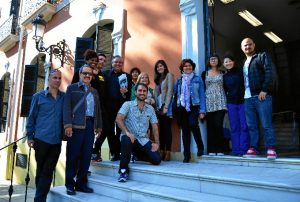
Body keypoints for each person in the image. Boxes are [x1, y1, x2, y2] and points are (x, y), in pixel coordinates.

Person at [63, 64, 102, 195]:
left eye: (90, 74)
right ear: (80, 74)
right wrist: (67, 125)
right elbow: (67, 107)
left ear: (92, 77)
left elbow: (98, 110)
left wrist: (99, 126)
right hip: (76, 126)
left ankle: (81, 184)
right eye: (84, 73)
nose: (87, 76)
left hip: (90, 125)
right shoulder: (72, 88)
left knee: (86, 157)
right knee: (73, 156)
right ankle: (69, 184)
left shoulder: (95, 91)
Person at [26, 69, 64, 202]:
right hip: (41, 139)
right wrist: (30, 136)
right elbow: (31, 118)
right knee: (41, 169)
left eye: (59, 78)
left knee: (48, 169)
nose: (58, 80)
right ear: (49, 79)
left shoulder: (64, 97)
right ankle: (40, 196)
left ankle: (39, 198)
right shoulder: (38, 96)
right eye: (55, 78)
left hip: (56, 140)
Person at [116, 83, 161, 182]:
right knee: (126, 139)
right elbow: (119, 119)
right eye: (140, 91)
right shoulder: (127, 104)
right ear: (135, 92)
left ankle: (135, 155)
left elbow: (154, 126)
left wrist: (156, 143)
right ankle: (123, 171)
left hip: (143, 139)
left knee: (157, 160)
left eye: (144, 91)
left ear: (147, 93)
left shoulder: (150, 108)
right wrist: (127, 132)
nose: (142, 93)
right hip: (129, 137)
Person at [241, 37, 277, 159]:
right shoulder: (244, 63)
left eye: (249, 44)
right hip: (247, 98)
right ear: (242, 48)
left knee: (266, 123)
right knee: (251, 125)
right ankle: (254, 148)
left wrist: (265, 90)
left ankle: (271, 148)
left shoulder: (262, 56)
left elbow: (269, 72)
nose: (247, 47)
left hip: (261, 96)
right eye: (245, 45)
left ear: (254, 45)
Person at [174, 59, 205, 163]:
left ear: (193, 67)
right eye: (185, 66)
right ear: (182, 68)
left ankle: (200, 147)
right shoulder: (179, 80)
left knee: (193, 124)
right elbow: (175, 96)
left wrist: (202, 110)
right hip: (181, 108)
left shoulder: (198, 79)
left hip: (194, 106)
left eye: (190, 66)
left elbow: (202, 95)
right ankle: (186, 155)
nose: (188, 67)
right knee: (185, 131)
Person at [102, 55, 132, 161]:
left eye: (120, 62)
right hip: (108, 107)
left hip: (121, 107)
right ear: (112, 63)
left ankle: (119, 152)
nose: (118, 64)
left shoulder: (127, 76)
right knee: (109, 130)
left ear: (122, 64)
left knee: (120, 130)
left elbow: (128, 95)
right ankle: (114, 152)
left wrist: (125, 94)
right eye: (115, 62)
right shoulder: (105, 74)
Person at [223, 55, 250, 156]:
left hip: (243, 101)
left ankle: (244, 149)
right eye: (226, 62)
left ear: (233, 62)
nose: (228, 63)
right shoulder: (224, 77)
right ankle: (236, 149)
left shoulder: (240, 72)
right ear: (223, 64)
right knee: (234, 127)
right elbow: (225, 90)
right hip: (231, 103)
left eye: (230, 61)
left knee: (244, 126)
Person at [202, 54, 227, 156]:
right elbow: (202, 89)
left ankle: (220, 149)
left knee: (218, 125)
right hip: (208, 102)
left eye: (215, 59)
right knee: (211, 126)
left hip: (220, 102)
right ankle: (212, 149)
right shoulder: (205, 74)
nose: (213, 60)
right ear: (209, 61)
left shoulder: (223, 72)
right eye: (211, 59)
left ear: (218, 61)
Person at [153, 60, 174, 161]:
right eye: (157, 67)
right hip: (159, 106)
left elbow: (170, 91)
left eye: (161, 66)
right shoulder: (158, 79)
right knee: (161, 130)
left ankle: (168, 152)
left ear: (165, 67)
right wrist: (157, 106)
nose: (159, 68)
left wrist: (166, 105)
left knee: (167, 129)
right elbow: (156, 94)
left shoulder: (169, 75)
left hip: (166, 105)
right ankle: (161, 151)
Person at [91, 53, 108, 162]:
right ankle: (91, 153)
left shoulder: (103, 74)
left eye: (104, 60)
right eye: (100, 59)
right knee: (90, 130)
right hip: (91, 105)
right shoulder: (90, 72)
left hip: (102, 106)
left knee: (105, 128)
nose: (102, 61)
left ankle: (94, 150)